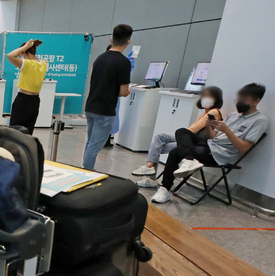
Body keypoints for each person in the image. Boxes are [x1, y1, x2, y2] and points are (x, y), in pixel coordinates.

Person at [151, 83, 268, 204]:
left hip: (220, 154)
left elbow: (244, 148)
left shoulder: (259, 121)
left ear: (256, 102)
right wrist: (208, 127)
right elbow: (212, 136)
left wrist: (227, 131)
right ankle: (188, 160)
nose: (239, 103)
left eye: (244, 100)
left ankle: (166, 187)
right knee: (182, 131)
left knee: (176, 151)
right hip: (209, 144)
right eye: (238, 100)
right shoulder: (233, 116)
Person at [134, 86, 224, 188]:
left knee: (158, 146)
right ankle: (150, 166)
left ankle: (151, 177)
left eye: (208, 96)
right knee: (159, 138)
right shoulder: (203, 113)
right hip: (189, 140)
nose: (204, 98)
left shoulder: (214, 112)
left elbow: (193, 130)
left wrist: (182, 136)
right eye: (204, 95)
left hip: (194, 144)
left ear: (216, 99)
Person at [82, 24, 133, 170]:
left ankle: (84, 169)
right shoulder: (124, 62)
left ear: (112, 39)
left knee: (90, 143)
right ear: (128, 41)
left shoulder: (100, 58)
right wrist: (123, 92)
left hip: (91, 106)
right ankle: (87, 174)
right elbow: (123, 91)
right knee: (94, 146)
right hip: (105, 110)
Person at [6, 39, 47, 134]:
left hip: (23, 100)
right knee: (29, 131)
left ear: (24, 52)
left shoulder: (27, 64)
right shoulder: (43, 64)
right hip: (35, 101)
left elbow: (10, 55)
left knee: (15, 131)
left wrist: (25, 47)